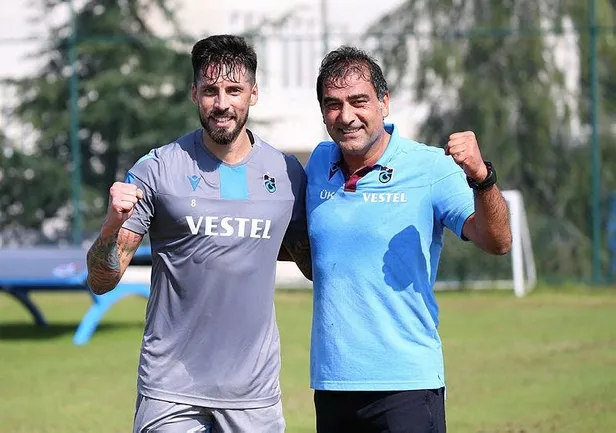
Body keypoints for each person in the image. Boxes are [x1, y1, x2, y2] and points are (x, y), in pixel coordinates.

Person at [86, 34, 311, 433]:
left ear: (253, 93)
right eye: (210, 91)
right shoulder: (158, 169)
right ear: (194, 93)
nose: (222, 103)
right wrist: (111, 226)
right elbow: (102, 280)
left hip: (253, 396)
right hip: (170, 391)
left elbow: (314, 264)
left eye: (234, 90)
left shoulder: (286, 173)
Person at [305, 46, 512, 433]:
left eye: (359, 101)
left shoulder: (431, 166)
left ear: (384, 102)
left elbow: (497, 241)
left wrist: (482, 177)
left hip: (406, 387)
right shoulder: (318, 163)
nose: (346, 116)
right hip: (332, 384)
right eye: (333, 104)